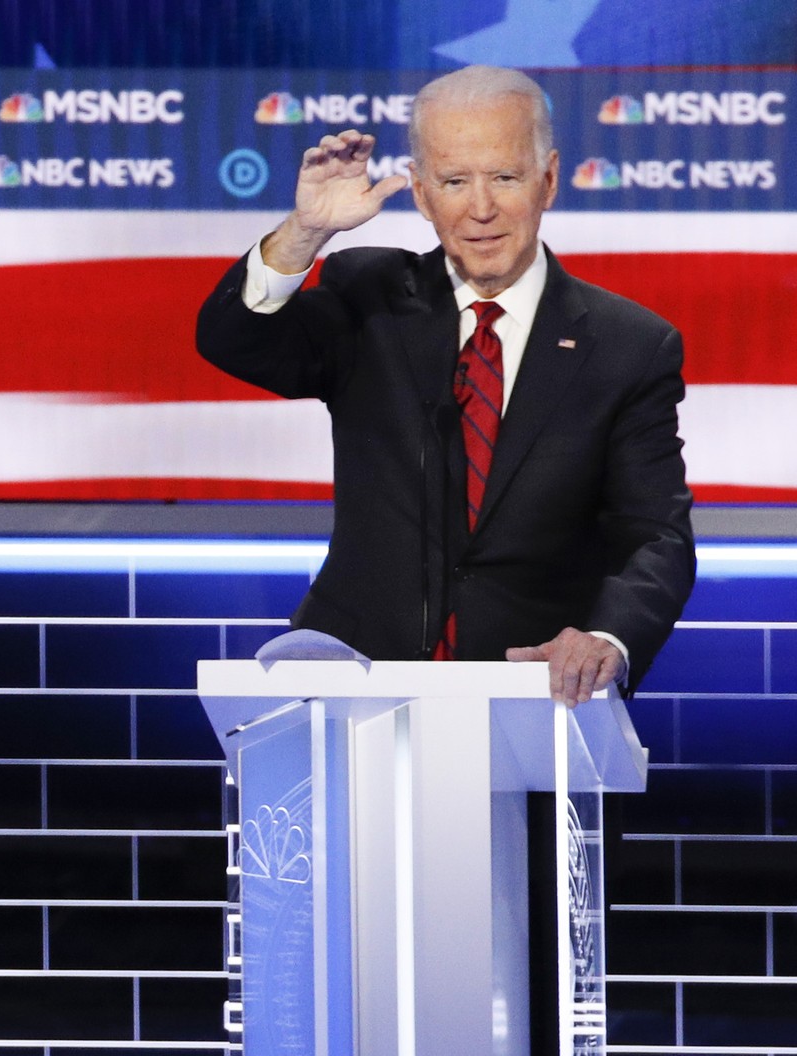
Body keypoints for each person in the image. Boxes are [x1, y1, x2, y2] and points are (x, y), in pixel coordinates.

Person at [197, 65, 694, 702]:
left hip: (533, 693)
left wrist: (606, 638)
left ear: (548, 180)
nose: (481, 209)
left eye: (505, 177)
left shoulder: (628, 346)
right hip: (359, 687)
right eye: (455, 181)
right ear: (422, 193)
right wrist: (305, 232)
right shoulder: (370, 299)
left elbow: (655, 535)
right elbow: (232, 340)